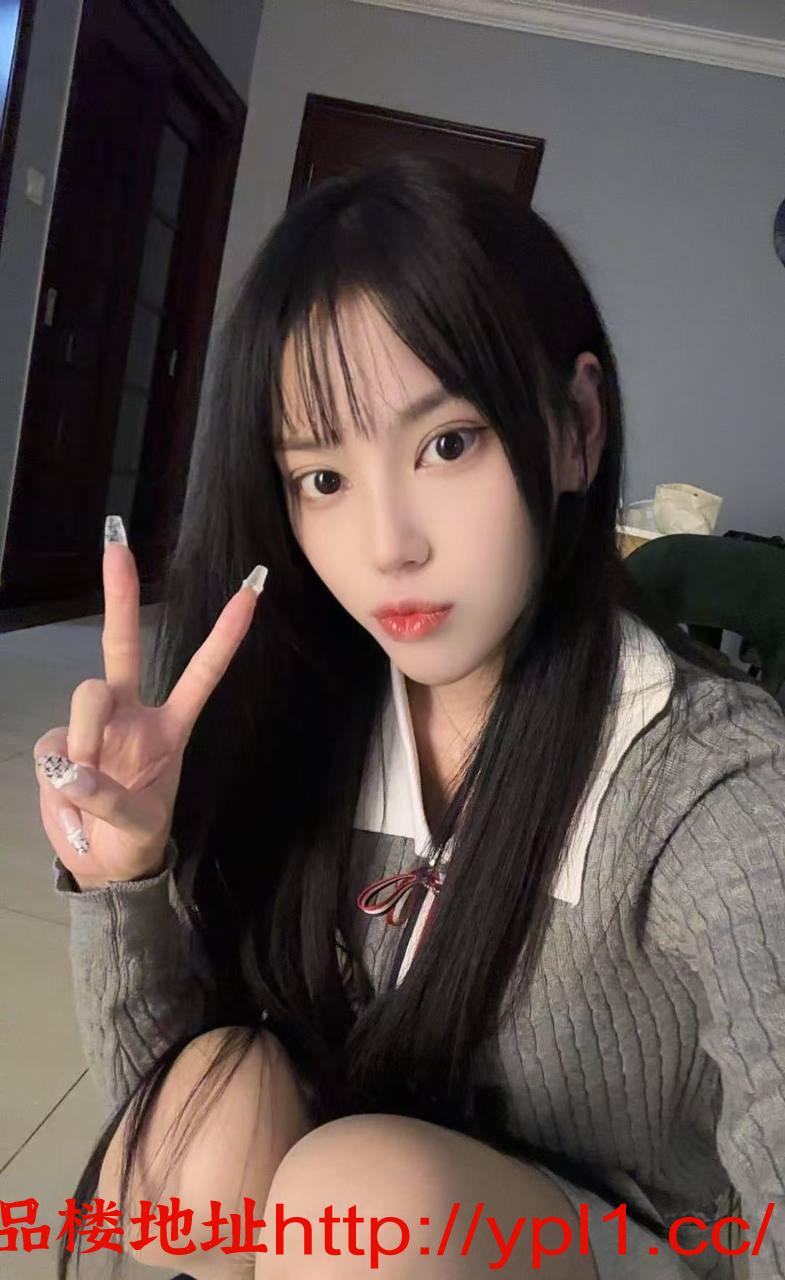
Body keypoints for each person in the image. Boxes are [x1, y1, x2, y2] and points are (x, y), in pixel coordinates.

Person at [34, 154, 785, 1280]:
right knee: (208, 1117)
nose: (388, 544)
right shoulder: (310, 707)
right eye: (323, 479)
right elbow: (168, 1181)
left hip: (632, 1246)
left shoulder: (714, 787)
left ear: (575, 427)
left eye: (447, 443)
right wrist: (125, 877)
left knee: (360, 1201)